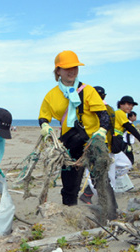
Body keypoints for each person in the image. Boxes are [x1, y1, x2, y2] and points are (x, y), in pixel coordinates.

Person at [38, 50, 111, 206]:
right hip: (69, 144)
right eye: (67, 68)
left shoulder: (88, 91)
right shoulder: (51, 95)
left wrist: (102, 131)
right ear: (58, 71)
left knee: (102, 182)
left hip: (92, 142)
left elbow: (103, 116)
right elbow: (44, 116)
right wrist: (45, 126)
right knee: (70, 185)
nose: (72, 71)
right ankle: (69, 211)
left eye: (75, 67)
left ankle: (109, 213)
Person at [79, 85, 116, 204]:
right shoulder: (108, 109)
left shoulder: (105, 109)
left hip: (99, 146)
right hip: (102, 146)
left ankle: (107, 205)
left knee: (98, 176)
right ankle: (107, 205)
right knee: (103, 177)